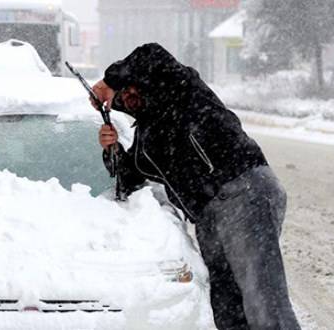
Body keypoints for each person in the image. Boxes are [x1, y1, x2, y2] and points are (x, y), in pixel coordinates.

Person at [92, 43, 300, 330]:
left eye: (130, 89)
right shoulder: (146, 139)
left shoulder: (180, 89)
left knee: (263, 301)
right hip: (207, 215)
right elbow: (127, 178)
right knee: (228, 308)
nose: (128, 97)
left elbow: (152, 54)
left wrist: (109, 80)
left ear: (141, 83)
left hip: (242, 189)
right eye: (123, 97)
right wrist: (111, 146)